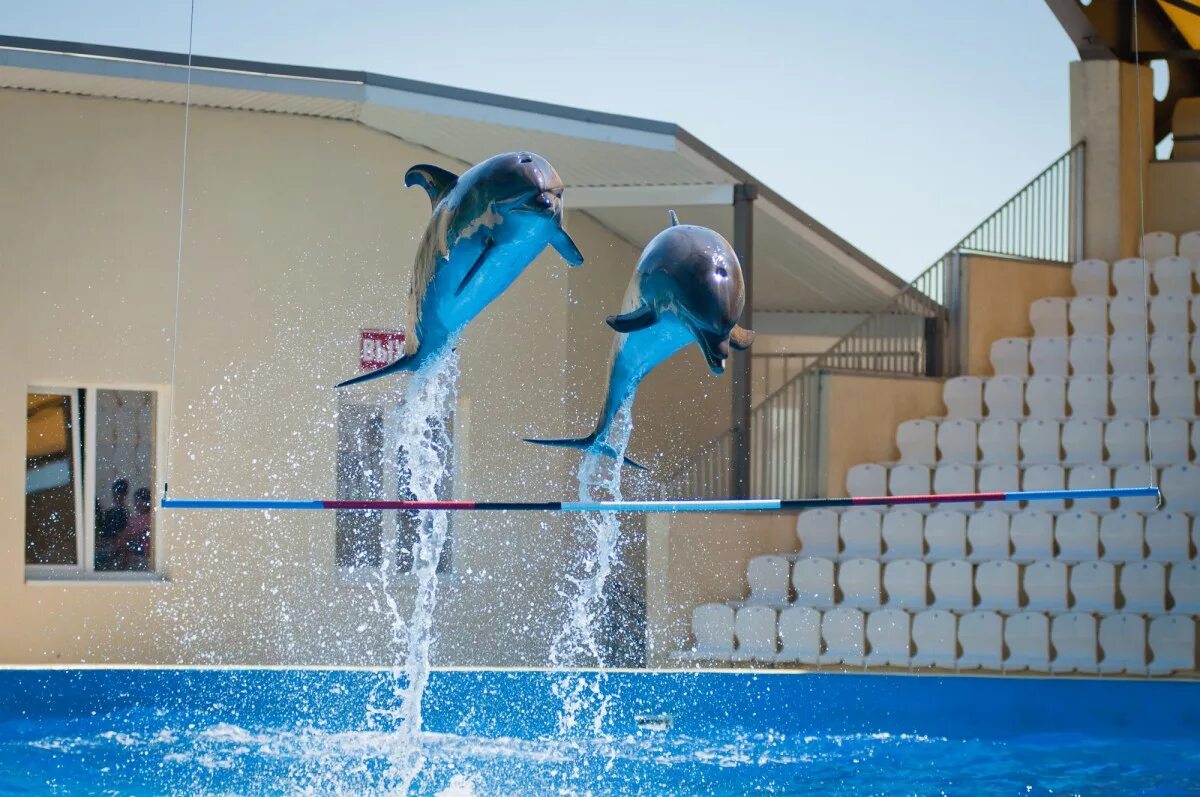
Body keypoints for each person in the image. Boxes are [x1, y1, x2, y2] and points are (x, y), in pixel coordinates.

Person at [95, 478, 129, 571]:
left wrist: (112, 543)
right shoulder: (110, 511)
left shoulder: (124, 512)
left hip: (113, 546)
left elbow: (120, 533)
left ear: (124, 495)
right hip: (107, 544)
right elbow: (104, 529)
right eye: (116, 493)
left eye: (120, 493)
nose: (117, 496)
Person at [118, 487, 153, 571]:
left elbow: (125, 535)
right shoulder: (137, 519)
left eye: (139, 501)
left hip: (140, 554)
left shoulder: (149, 519)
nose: (136, 504)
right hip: (140, 554)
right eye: (136, 501)